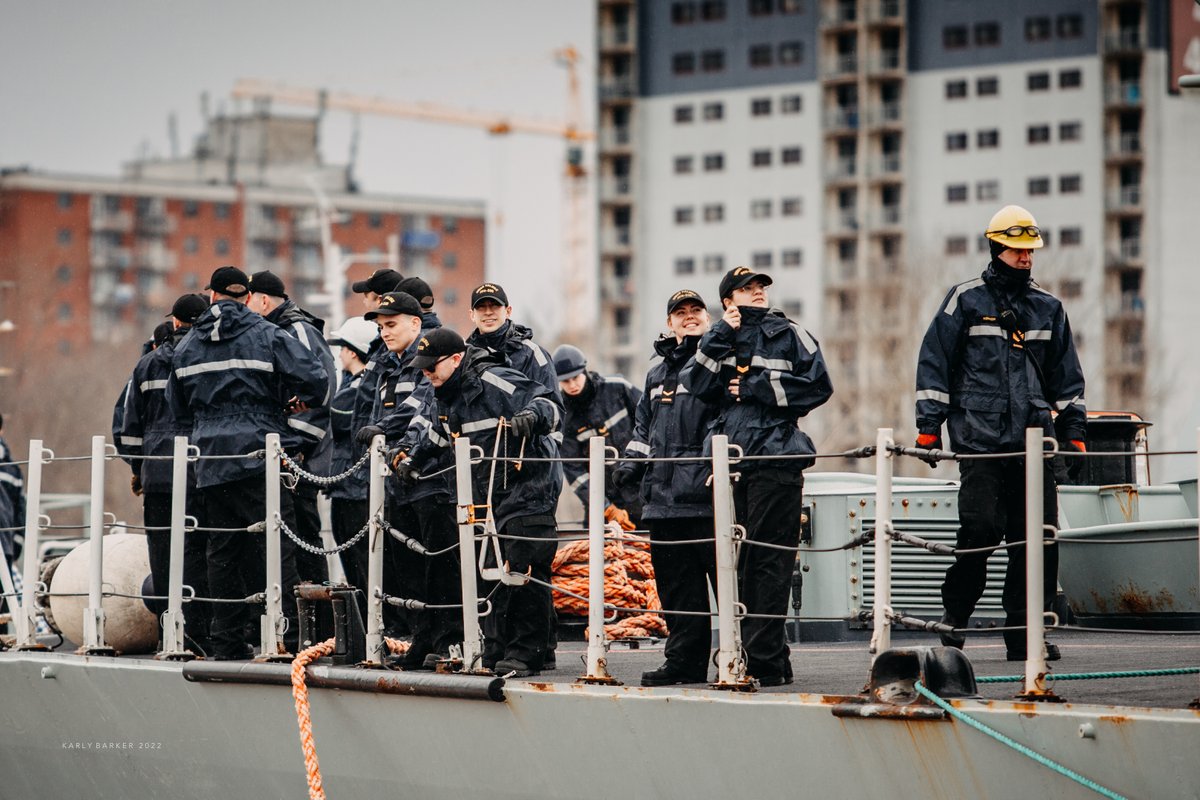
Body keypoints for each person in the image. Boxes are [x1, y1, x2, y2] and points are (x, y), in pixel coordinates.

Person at [915, 204, 1086, 662]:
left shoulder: (1048, 308)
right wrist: (928, 428)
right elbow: (935, 362)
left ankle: (1024, 636)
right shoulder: (965, 300)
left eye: (1030, 250)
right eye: (1016, 249)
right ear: (996, 248)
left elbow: (1067, 379)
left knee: (1037, 541)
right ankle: (955, 621)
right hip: (981, 442)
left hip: (1034, 442)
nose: (1026, 257)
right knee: (979, 532)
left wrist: (1074, 434)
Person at [167, 266, 329, 660]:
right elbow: (317, 380)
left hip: (212, 461)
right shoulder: (266, 334)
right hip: (259, 454)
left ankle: (226, 640)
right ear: (247, 297)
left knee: (221, 551)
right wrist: (289, 402)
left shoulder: (188, 345)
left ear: (212, 297)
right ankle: (289, 637)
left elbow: (177, 407)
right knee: (277, 545)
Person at [685, 267, 833, 687]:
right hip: (731, 464)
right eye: (745, 289)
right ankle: (766, 658)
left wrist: (755, 388)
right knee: (741, 563)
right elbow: (694, 383)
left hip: (777, 459)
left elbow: (819, 386)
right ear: (728, 300)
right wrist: (716, 335)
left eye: (759, 288)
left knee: (770, 561)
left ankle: (763, 661)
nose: (756, 294)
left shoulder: (791, 334)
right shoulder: (718, 339)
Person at [398, 327, 563, 677]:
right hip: (487, 494)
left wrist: (533, 417)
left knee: (523, 568)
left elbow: (548, 402)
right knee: (489, 572)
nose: (427, 375)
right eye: (423, 370)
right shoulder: (446, 393)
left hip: (527, 486)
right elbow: (436, 435)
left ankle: (527, 652)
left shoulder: (494, 379)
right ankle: (496, 648)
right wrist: (413, 459)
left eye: (432, 368)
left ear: (456, 359)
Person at [613, 289, 719, 686]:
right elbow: (644, 429)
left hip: (708, 501)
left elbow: (722, 423)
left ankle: (745, 657)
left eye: (696, 311)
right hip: (663, 502)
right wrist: (628, 466)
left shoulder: (719, 363)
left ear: (708, 320)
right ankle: (684, 663)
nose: (689, 317)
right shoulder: (656, 373)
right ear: (669, 323)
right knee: (678, 592)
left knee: (730, 586)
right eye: (680, 313)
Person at [115, 293, 213, 653]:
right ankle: (203, 635)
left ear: (174, 323)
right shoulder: (207, 357)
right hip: (203, 472)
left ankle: (168, 633)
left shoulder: (147, 365)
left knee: (163, 556)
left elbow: (128, 427)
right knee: (204, 552)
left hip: (158, 476)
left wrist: (139, 467)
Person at [355, 291, 447, 668]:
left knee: (437, 565)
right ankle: (420, 639)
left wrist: (381, 430)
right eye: (381, 326)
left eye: (391, 325)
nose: (385, 332)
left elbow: (421, 408)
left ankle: (443, 641)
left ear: (415, 322)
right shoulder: (385, 365)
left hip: (429, 478)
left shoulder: (428, 361)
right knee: (407, 570)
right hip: (395, 480)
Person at [247, 270, 336, 586]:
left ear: (264, 300)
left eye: (247, 300)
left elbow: (321, 392)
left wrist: (295, 448)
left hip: (299, 458)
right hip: (284, 454)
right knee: (290, 541)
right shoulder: (272, 332)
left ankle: (318, 626)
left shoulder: (296, 330)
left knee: (304, 541)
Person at [553, 344, 643, 526]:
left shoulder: (618, 388)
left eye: (575, 378)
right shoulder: (563, 416)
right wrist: (606, 508)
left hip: (640, 489)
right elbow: (574, 471)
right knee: (595, 552)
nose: (572, 385)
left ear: (584, 370)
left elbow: (649, 424)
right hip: (600, 499)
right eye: (565, 381)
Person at [325, 315, 379, 618]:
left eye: (343, 347)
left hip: (354, 488)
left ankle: (367, 622)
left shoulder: (356, 392)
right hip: (347, 485)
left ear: (354, 350)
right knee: (353, 557)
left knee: (359, 560)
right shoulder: (355, 387)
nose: (340, 354)